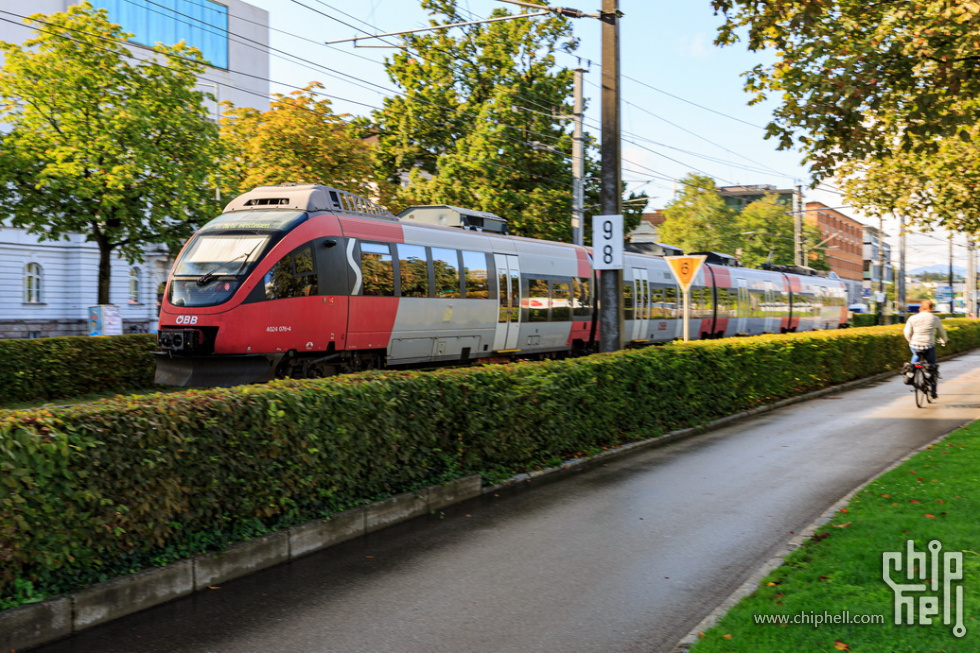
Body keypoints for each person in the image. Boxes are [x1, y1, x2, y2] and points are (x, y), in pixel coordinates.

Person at [903, 299, 948, 398]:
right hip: (928, 345)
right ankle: (933, 391)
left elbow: (907, 333)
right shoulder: (935, 318)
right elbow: (942, 332)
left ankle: (911, 371)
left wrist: (910, 340)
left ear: (921, 308)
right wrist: (944, 340)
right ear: (931, 308)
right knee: (932, 367)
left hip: (915, 345)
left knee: (916, 355)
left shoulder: (913, 318)